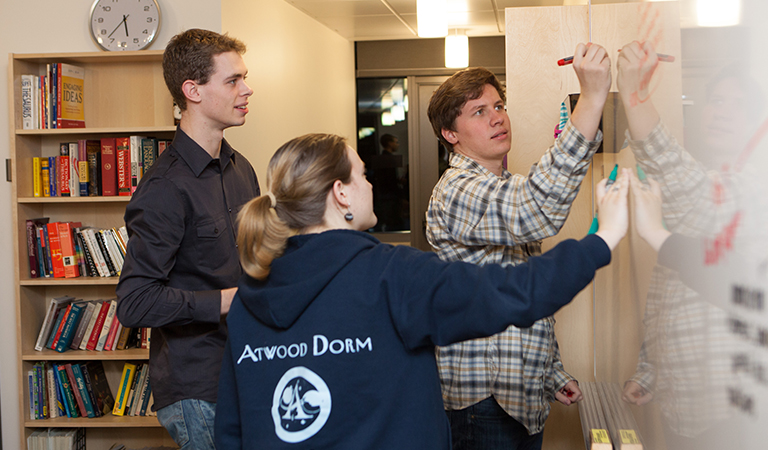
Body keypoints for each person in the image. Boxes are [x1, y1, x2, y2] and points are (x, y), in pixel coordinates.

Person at [213, 133, 630, 449]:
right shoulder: (391, 275)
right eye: (362, 175)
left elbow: (233, 431)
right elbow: (512, 292)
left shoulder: (250, 299)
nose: (371, 184)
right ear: (340, 193)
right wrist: (603, 238)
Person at [425, 43, 611, 449]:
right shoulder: (457, 190)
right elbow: (539, 209)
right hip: (483, 403)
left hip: (521, 398)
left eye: (499, 105)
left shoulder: (505, 187)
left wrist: (552, 374)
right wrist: (593, 97)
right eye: (479, 112)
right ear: (450, 134)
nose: (497, 118)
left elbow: (523, 293)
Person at [616, 40, 768, 449]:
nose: (722, 111)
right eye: (716, 100)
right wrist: (650, 373)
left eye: (738, 105)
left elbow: (677, 175)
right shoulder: (707, 187)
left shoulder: (753, 190)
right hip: (686, 408)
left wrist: (633, 91)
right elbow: (671, 293)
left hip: (734, 416)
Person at [115, 28, 261, 450]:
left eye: (244, 78)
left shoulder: (240, 167)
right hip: (198, 387)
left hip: (246, 366)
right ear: (192, 90)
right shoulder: (164, 187)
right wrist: (229, 299)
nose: (247, 89)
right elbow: (135, 302)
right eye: (233, 80)